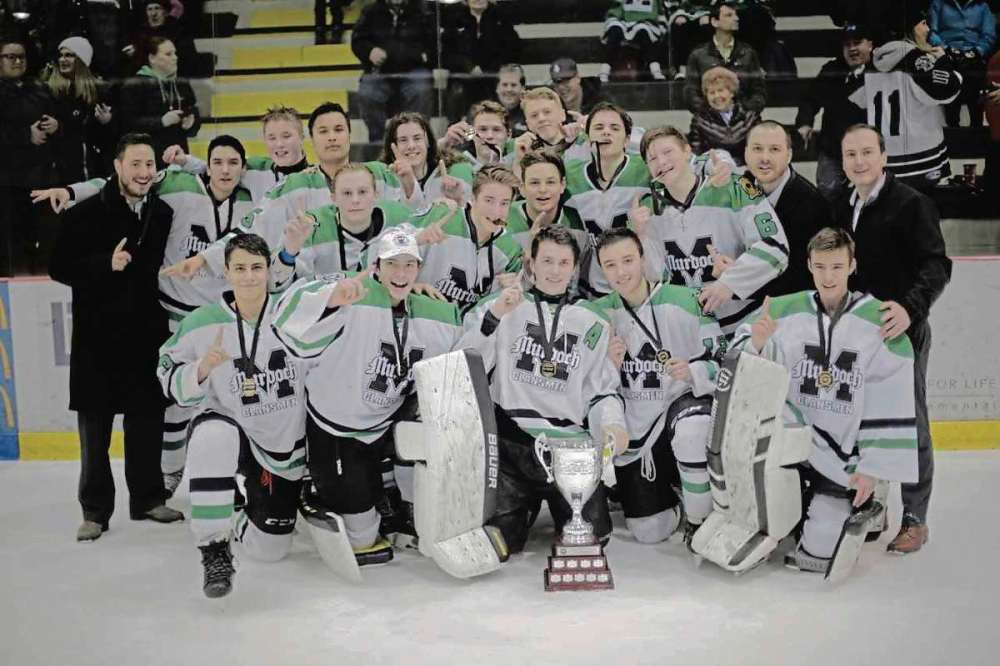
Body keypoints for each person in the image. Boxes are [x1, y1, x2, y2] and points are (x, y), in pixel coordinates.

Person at [731, 227, 918, 573]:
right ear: (809, 265)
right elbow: (737, 357)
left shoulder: (879, 321)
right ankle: (797, 508)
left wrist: (871, 469)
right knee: (763, 516)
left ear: (852, 266)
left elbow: (889, 398)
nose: (828, 277)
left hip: (841, 458)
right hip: (791, 442)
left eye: (836, 267)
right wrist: (756, 342)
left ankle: (865, 501)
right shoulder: (783, 309)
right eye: (820, 267)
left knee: (819, 551)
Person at [272, 226, 463, 562]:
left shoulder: (435, 310)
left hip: (388, 423)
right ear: (376, 266)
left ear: (419, 268)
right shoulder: (352, 294)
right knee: (362, 539)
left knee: (429, 416)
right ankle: (321, 487)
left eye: (409, 265)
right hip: (338, 428)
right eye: (392, 264)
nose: (401, 273)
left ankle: (397, 498)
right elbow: (287, 320)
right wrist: (332, 299)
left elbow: (463, 362)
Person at [157, 233, 310, 598]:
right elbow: (167, 376)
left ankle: (240, 510)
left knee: (270, 549)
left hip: (281, 442)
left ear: (269, 270)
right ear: (225, 272)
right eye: (239, 268)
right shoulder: (202, 322)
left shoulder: (296, 313)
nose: (249, 276)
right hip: (232, 427)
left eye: (257, 267)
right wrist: (201, 369)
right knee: (212, 436)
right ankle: (214, 548)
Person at [459, 225, 628, 554]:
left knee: (592, 539)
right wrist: (495, 316)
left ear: (575, 268)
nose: (555, 271)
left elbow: (601, 388)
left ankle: (556, 505)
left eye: (564, 263)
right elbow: (465, 362)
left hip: (569, 447)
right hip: (511, 445)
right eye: (547, 261)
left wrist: (612, 425)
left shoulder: (593, 319)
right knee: (501, 542)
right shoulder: (502, 305)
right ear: (531, 263)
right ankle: (524, 508)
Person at [49, 133, 184, 542]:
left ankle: (148, 499)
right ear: (118, 166)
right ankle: (94, 511)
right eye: (135, 164)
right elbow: (58, 266)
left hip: (145, 334)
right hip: (98, 338)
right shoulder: (85, 213)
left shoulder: (161, 212)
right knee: (95, 432)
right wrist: (103, 264)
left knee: (147, 423)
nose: (144, 172)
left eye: (149, 165)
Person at [833, 124, 952, 555]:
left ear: (884, 156)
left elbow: (936, 265)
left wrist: (909, 308)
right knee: (855, 420)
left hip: (900, 332)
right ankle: (871, 504)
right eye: (851, 154)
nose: (859, 161)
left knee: (908, 422)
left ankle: (915, 517)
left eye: (867, 152)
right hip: (853, 335)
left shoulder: (912, 204)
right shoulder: (838, 204)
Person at [593, 228, 724, 545]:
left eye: (627, 260)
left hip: (679, 410)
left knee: (692, 428)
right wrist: (605, 361)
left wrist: (693, 371)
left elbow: (725, 362)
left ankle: (700, 521)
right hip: (636, 432)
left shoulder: (688, 300)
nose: (621, 272)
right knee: (650, 530)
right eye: (610, 265)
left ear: (642, 259)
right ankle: (677, 494)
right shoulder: (597, 314)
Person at [629, 125, 788, 336]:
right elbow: (655, 277)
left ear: (688, 151)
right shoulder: (646, 211)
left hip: (745, 325)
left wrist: (729, 283)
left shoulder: (734, 187)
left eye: (668, 152)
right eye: (653, 158)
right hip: (689, 332)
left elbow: (776, 247)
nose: (662, 162)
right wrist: (641, 236)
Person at [850, 11, 962, 191]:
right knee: (923, 206)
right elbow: (946, 91)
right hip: (921, 155)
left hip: (885, 157)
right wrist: (944, 62)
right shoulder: (916, 59)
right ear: (910, 29)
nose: (928, 29)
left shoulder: (873, 61)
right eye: (923, 23)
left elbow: (857, 98)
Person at [270, 162, 416, 291]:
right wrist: (289, 254)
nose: (355, 200)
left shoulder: (399, 220)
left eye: (362, 192)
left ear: (375, 195)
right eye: (347, 193)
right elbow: (275, 286)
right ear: (333, 198)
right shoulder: (311, 228)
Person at [564, 102, 650, 298]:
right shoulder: (569, 174)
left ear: (627, 140)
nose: (606, 132)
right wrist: (561, 142)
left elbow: (687, 163)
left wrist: (716, 167)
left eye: (614, 128)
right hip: (591, 288)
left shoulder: (647, 168)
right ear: (588, 139)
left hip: (640, 284)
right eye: (598, 127)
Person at [412, 165, 523, 310]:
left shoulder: (510, 248)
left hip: (467, 323)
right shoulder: (442, 215)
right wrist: (416, 240)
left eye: (504, 203)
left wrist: (507, 289)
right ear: (472, 198)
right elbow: (389, 245)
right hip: (422, 316)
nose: (496, 211)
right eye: (489, 200)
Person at [744, 121, 832, 297]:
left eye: (774, 149)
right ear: (746, 153)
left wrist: (742, 282)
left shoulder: (813, 204)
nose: (765, 158)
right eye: (757, 149)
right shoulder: (737, 189)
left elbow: (803, 277)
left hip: (789, 303)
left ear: (789, 155)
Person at [0, 34, 60, 275]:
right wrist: (26, 135)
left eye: (21, 57)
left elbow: (59, 117)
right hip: (7, 181)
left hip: (40, 178)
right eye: (10, 57)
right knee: (11, 241)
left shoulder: (39, 87)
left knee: (43, 238)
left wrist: (56, 125)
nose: (17, 61)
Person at [165, 105, 311, 202]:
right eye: (272, 138)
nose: (279, 144)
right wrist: (185, 160)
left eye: (286, 136)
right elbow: (217, 169)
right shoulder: (256, 169)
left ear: (302, 136)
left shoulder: (318, 177)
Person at [795, 24, 873, 200]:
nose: (852, 49)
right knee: (827, 191)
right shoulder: (831, 69)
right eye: (847, 45)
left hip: (870, 149)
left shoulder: (881, 70)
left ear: (870, 44)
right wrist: (805, 123)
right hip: (834, 148)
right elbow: (810, 99)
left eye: (857, 43)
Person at [350, 0, 435, 143]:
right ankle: (378, 141)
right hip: (380, 71)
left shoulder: (423, 10)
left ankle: (417, 137)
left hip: (414, 69)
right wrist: (369, 51)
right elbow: (358, 41)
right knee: (367, 92)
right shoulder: (370, 11)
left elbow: (433, 44)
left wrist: (418, 55)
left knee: (421, 89)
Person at [119, 36, 201, 169]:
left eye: (175, 53)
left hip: (178, 156)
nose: (175, 58)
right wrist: (161, 121)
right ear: (152, 58)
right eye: (168, 54)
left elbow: (193, 112)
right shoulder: (135, 85)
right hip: (148, 158)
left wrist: (191, 122)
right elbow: (127, 123)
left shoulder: (181, 83)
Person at [43, 37, 115, 182]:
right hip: (59, 167)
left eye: (69, 55)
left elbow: (106, 137)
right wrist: (57, 127)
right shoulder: (49, 90)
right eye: (61, 55)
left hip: (92, 165)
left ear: (82, 60)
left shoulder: (100, 90)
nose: (63, 59)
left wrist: (107, 122)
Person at [440, 0, 521, 120]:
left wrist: (486, 68)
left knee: (502, 87)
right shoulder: (455, 18)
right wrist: (469, 67)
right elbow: (447, 53)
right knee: (457, 92)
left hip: (493, 74)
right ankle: (460, 127)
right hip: (464, 75)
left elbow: (511, 50)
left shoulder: (500, 17)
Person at [684, 1, 766, 114]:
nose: (736, 18)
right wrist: (710, 113)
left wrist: (743, 111)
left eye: (736, 15)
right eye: (729, 15)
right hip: (708, 119)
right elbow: (691, 93)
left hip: (744, 118)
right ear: (715, 21)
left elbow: (759, 91)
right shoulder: (698, 55)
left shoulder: (748, 53)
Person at [379, 111, 474, 208]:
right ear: (393, 146)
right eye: (403, 140)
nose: (411, 146)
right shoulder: (383, 182)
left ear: (428, 142)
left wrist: (458, 201)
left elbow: (472, 211)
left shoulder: (452, 173)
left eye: (417, 138)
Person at [928, 0, 996, 126]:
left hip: (974, 59)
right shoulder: (938, 4)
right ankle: (952, 130)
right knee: (951, 111)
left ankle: (976, 129)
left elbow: (989, 35)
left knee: (976, 108)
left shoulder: (983, 6)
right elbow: (932, 33)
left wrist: (976, 52)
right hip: (948, 57)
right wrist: (948, 50)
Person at [505, 151, 586, 256]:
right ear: (522, 188)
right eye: (534, 183)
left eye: (550, 182)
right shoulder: (504, 217)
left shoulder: (575, 220)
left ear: (562, 185)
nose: (543, 189)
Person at [687, 65, 759, 163]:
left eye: (720, 90)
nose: (717, 96)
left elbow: (758, 150)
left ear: (732, 92)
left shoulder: (750, 117)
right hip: (714, 168)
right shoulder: (699, 121)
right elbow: (696, 156)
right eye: (712, 92)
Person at [600, 0, 669, 82]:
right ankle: (604, 72)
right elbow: (615, 11)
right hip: (623, 22)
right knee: (615, 31)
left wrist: (660, 27)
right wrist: (615, 19)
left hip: (646, 23)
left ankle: (655, 70)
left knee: (644, 32)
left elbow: (660, 14)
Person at [437, 100, 512, 170]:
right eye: (483, 129)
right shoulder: (457, 166)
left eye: (496, 130)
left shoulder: (516, 165)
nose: (489, 136)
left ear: (509, 135)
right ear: (471, 133)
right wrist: (444, 143)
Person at [495, 63, 527, 137]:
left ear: (523, 88)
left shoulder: (531, 113)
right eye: (504, 85)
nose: (509, 89)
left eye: (513, 85)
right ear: (497, 88)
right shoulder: (484, 113)